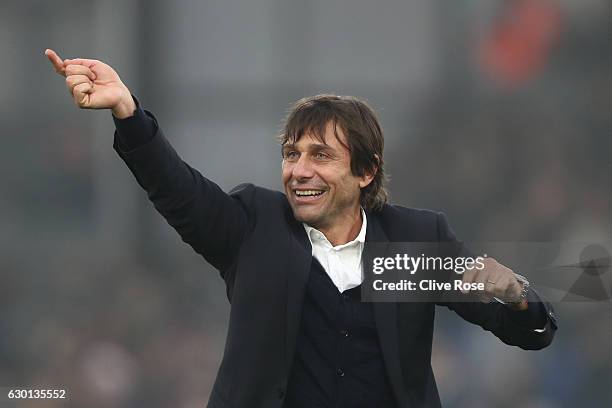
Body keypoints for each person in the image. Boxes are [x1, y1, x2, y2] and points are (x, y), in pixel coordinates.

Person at [45, 49, 557, 408]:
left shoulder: (415, 242)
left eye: (321, 155)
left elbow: (528, 332)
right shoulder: (254, 226)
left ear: (365, 171)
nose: (299, 170)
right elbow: (178, 191)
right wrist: (127, 113)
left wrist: (517, 295)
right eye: (292, 155)